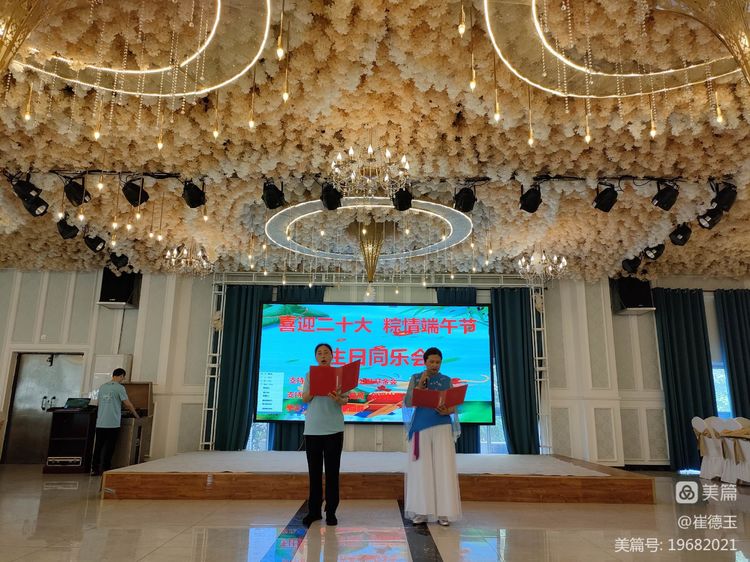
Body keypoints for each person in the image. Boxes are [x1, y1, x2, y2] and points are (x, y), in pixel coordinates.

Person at [403, 347, 461, 526]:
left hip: (442, 426)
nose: (435, 365)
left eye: (438, 362)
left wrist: (448, 410)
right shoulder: (416, 378)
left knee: (443, 467)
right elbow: (407, 402)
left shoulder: (446, 380)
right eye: (431, 362)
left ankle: (444, 513)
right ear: (425, 362)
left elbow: (454, 407)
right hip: (420, 427)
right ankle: (421, 511)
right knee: (421, 469)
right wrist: (420, 384)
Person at [301, 343, 348, 527]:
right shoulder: (309, 375)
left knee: (332, 473)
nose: (323, 356)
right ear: (316, 357)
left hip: (334, 429)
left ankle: (331, 512)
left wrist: (338, 399)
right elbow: (304, 398)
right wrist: (315, 389)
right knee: (314, 473)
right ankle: (314, 511)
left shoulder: (339, 375)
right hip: (313, 429)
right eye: (319, 353)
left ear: (332, 356)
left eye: (326, 353)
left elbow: (345, 400)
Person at [91, 368, 139, 476]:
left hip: (100, 422)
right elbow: (127, 404)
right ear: (121, 376)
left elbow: (98, 403)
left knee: (98, 446)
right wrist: (136, 415)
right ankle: (106, 468)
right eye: (123, 377)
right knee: (110, 447)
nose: (123, 379)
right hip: (113, 423)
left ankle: (95, 468)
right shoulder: (120, 388)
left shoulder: (102, 387)